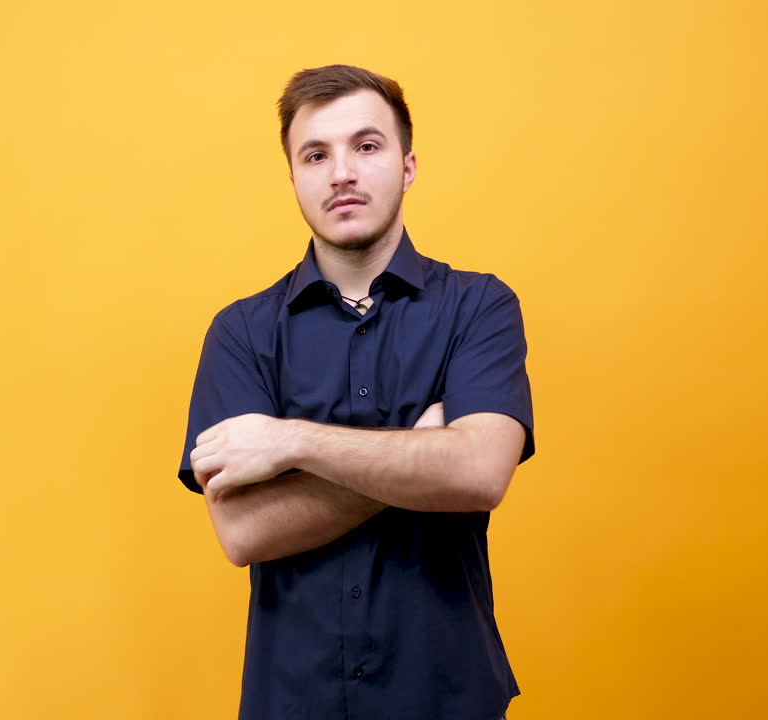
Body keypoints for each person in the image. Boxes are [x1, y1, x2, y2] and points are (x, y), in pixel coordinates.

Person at [176, 64, 535, 720]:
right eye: (316, 155)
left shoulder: (479, 306)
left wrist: (291, 443)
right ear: (294, 178)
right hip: (293, 703)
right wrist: (422, 455)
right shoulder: (242, 333)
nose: (341, 172)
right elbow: (244, 532)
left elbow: (481, 472)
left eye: (366, 146)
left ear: (407, 165)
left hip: (449, 700)